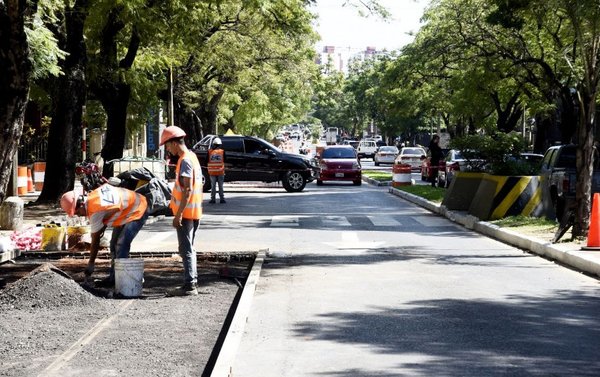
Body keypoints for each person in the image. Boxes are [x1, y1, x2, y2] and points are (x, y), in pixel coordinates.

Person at [60, 184, 148, 285]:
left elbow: (95, 240)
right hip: (128, 208)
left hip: (138, 209)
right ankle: (114, 278)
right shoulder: (93, 197)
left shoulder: (95, 210)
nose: (79, 215)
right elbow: (108, 212)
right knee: (113, 243)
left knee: (121, 244)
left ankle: (122, 282)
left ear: (80, 205)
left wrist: (91, 263)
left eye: (77, 213)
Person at [160, 125, 202, 296]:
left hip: (186, 214)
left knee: (186, 249)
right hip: (194, 211)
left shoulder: (184, 160)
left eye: (167, 145)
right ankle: (192, 280)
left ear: (174, 143)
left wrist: (178, 215)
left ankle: (190, 285)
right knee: (189, 248)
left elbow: (187, 190)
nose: (168, 149)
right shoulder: (192, 157)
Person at [208, 137, 226, 204]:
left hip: (212, 172)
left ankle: (213, 199)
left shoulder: (209, 152)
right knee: (220, 186)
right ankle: (222, 199)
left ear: (213, 144)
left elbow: (206, 160)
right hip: (220, 172)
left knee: (213, 186)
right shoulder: (222, 152)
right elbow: (225, 160)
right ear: (220, 144)